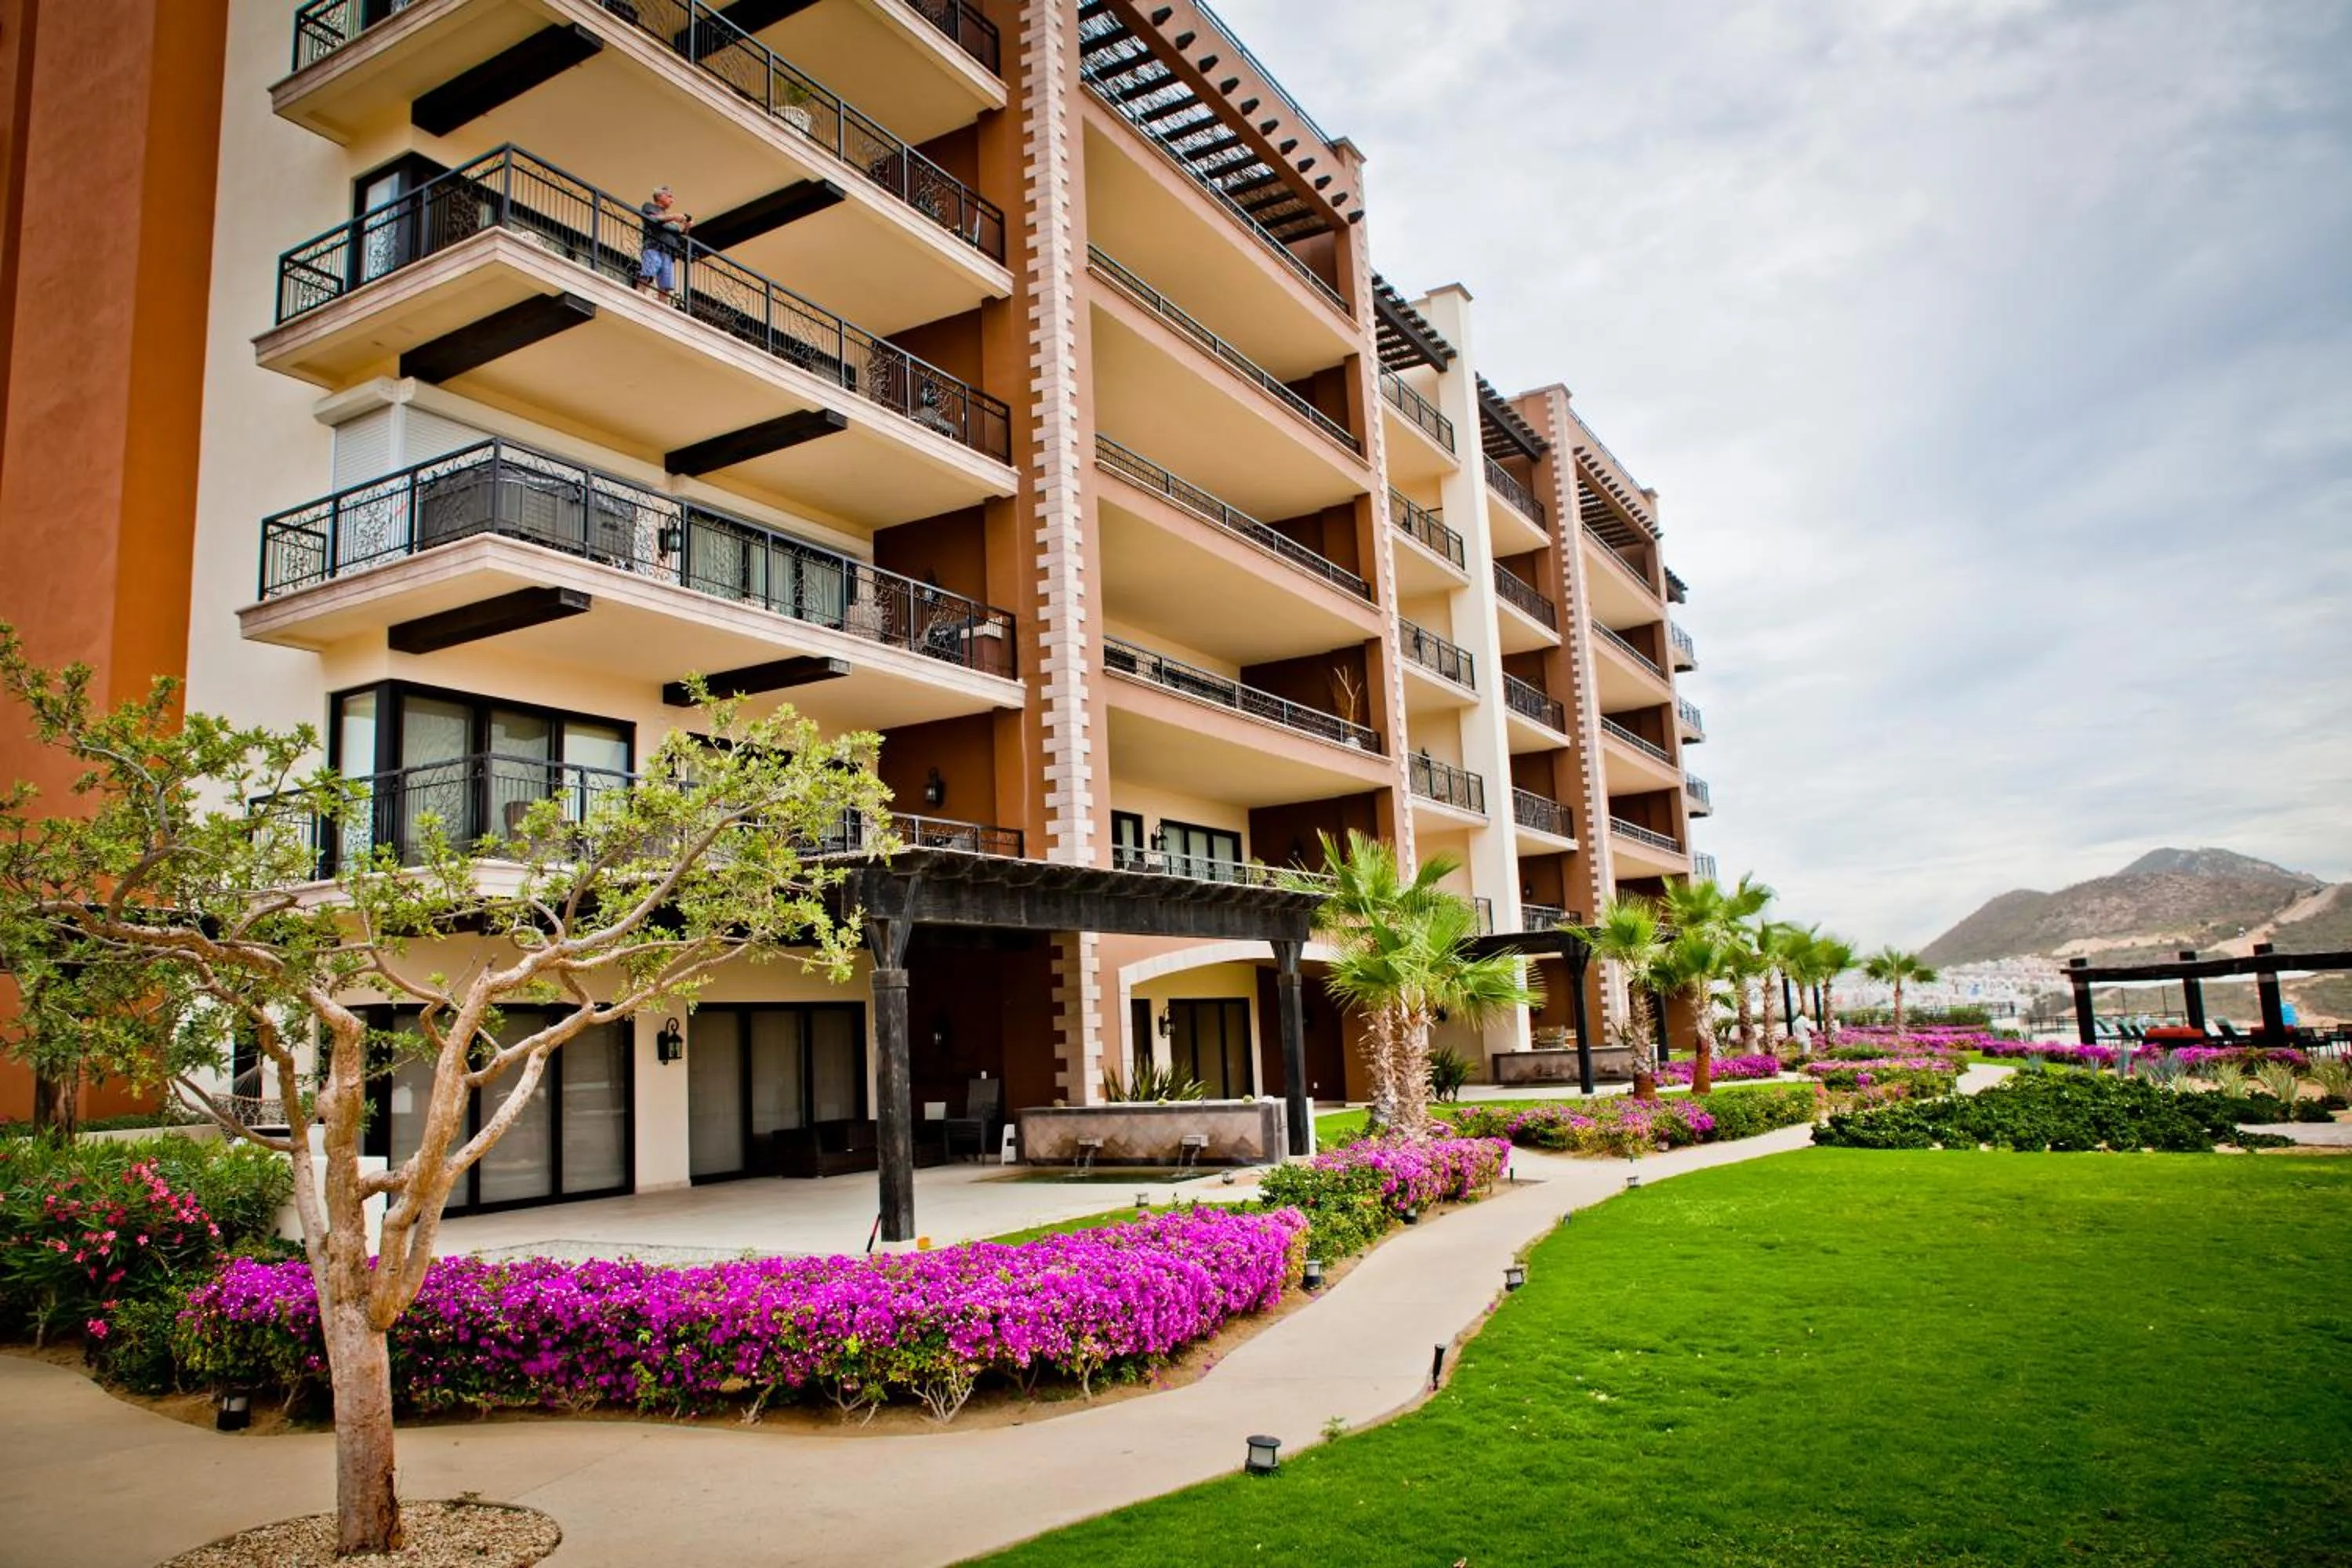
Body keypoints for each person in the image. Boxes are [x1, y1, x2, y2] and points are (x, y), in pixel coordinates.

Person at [637, 186, 691, 303]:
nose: (672, 200)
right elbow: (654, 219)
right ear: (660, 196)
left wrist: (687, 227)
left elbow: (681, 235)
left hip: (668, 252)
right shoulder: (649, 207)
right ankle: (638, 297)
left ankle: (663, 306)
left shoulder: (671, 220)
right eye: (670, 196)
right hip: (653, 247)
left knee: (666, 284)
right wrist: (674, 217)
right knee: (648, 273)